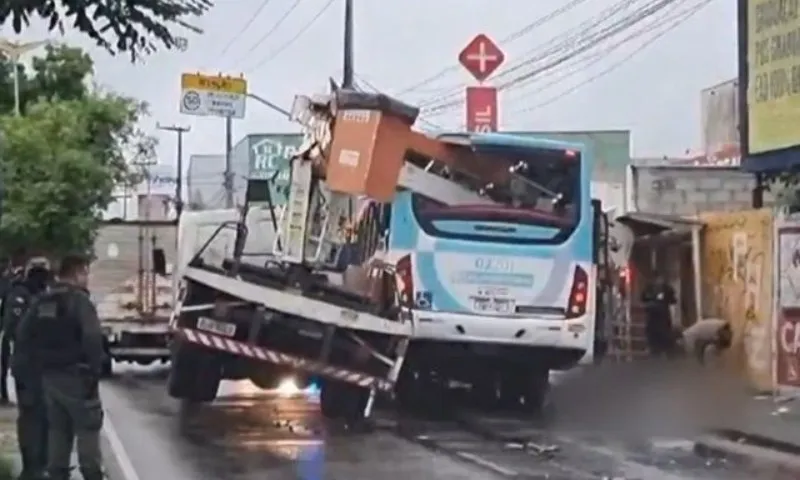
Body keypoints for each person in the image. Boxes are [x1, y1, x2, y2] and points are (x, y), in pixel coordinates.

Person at [14, 254, 106, 480]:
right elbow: (92, 337)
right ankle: (92, 474)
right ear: (76, 273)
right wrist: (95, 369)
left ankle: (57, 474)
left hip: (49, 380)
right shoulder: (80, 302)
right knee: (87, 430)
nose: (87, 278)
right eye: (85, 273)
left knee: (58, 431)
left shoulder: (42, 302)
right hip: (78, 376)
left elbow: (23, 336)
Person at [5, 258, 51, 480]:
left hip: (43, 368)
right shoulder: (20, 296)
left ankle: (41, 464)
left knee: (44, 417)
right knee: (30, 417)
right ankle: (31, 467)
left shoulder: (44, 297)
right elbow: (14, 329)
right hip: (26, 367)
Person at [0, 258, 27, 404]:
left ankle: (4, 394)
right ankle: (3, 394)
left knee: (5, 364)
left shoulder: (10, 286)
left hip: (7, 330)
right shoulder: (10, 287)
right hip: (7, 330)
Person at [640, 273, 678, 357]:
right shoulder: (650, 288)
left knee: (661, 333)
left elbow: (673, 300)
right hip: (656, 316)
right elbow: (643, 299)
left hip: (660, 316)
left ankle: (661, 350)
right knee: (658, 333)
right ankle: (658, 350)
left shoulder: (665, 288)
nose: (658, 281)